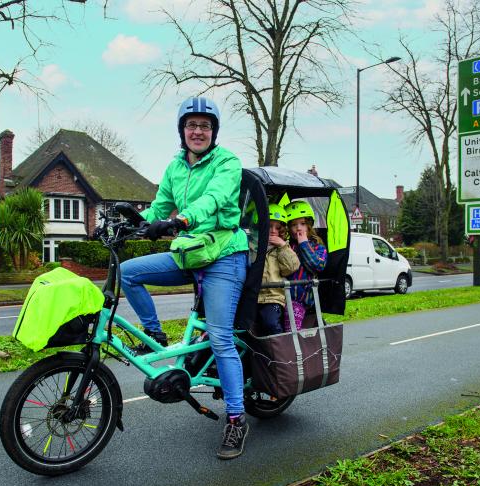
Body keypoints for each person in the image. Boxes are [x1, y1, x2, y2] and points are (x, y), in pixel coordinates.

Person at [120, 96, 251, 460]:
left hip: (224, 255)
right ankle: (154, 335)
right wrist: (135, 222)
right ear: (182, 131)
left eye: (205, 126)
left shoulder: (227, 162)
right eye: (191, 125)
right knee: (127, 273)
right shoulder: (176, 167)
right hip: (191, 252)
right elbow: (160, 206)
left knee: (222, 337)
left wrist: (181, 221)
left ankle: (237, 419)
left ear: (213, 133)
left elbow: (214, 198)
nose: (198, 131)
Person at [257, 204, 301, 336]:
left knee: (270, 323)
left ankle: (281, 351)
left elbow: (291, 267)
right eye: (269, 226)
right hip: (253, 296)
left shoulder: (282, 249)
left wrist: (282, 246)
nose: (273, 231)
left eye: (278, 228)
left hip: (273, 298)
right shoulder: (254, 246)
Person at [283, 200, 327, 331]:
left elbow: (318, 265)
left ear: (309, 225)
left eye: (302, 224)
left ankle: (293, 350)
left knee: (292, 330)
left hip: (301, 298)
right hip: (282, 295)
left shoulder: (318, 246)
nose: (298, 228)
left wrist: (304, 244)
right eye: (294, 225)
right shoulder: (287, 246)